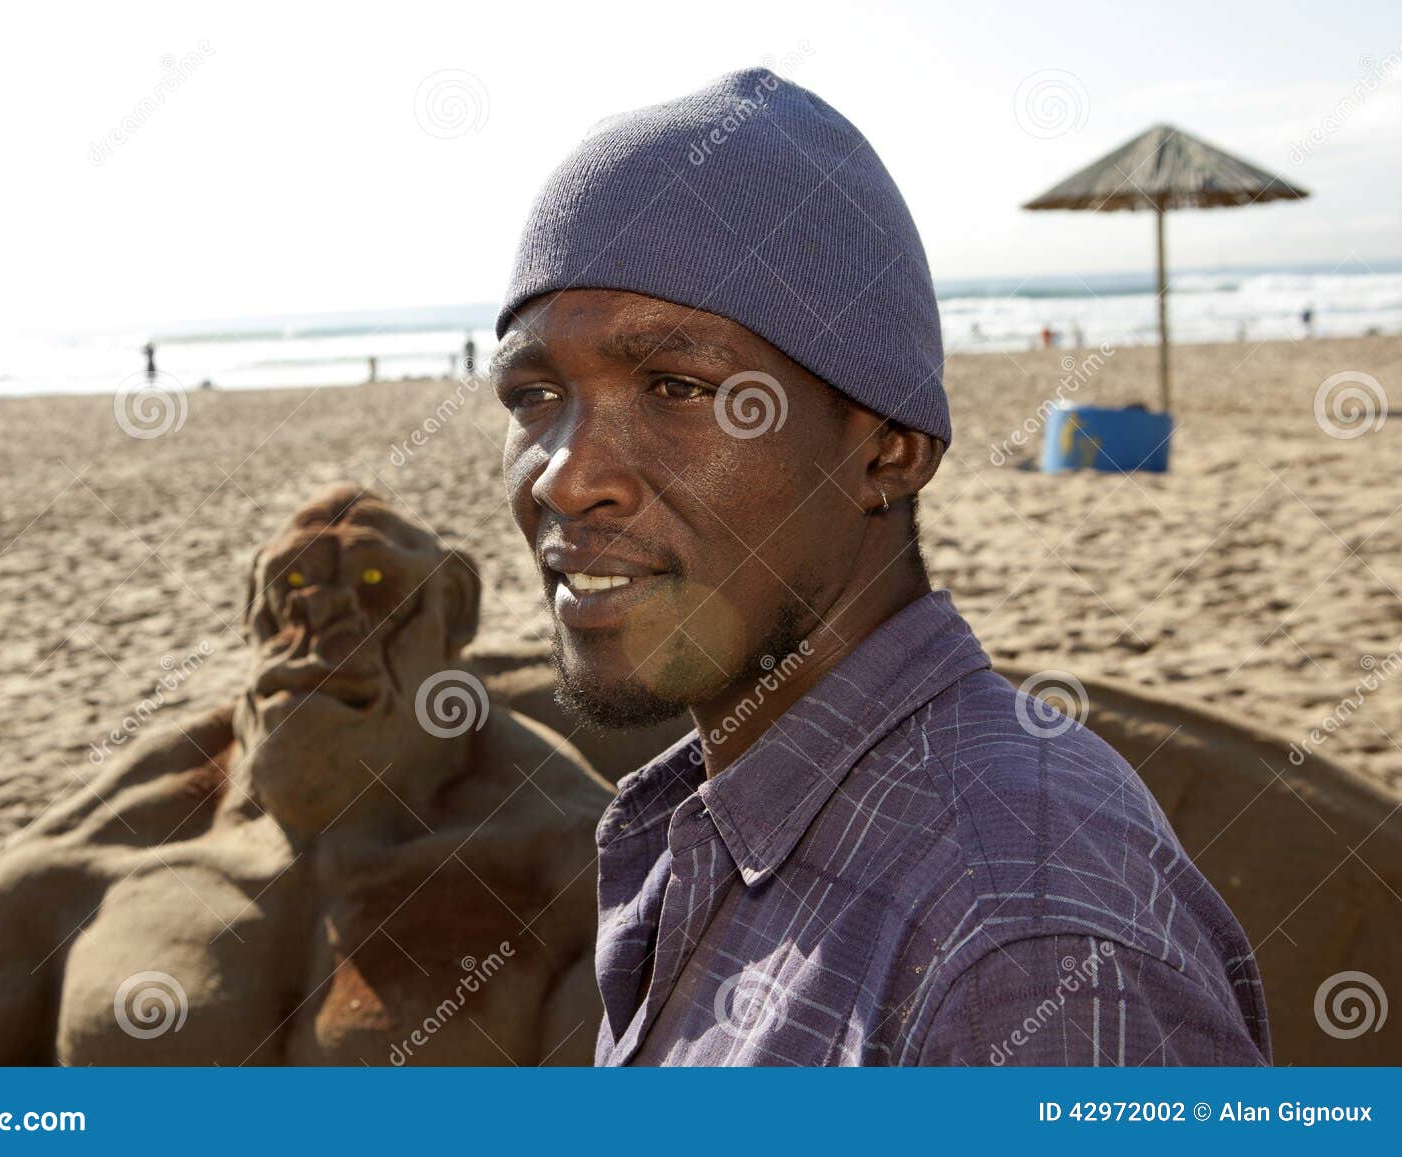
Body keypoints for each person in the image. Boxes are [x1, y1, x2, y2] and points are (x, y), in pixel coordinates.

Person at [489, 69, 1270, 1067]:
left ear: (886, 449)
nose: (563, 474)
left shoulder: (1023, 943)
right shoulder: (716, 821)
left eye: (676, 385)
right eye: (533, 393)